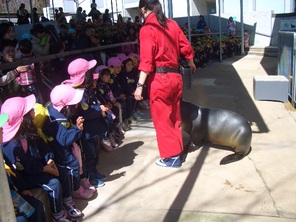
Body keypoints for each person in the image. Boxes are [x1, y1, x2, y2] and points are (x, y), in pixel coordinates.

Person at [1, 95, 83, 221]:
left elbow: (44, 147)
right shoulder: (10, 145)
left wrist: (49, 160)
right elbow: (25, 166)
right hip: (26, 176)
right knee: (53, 184)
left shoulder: (27, 131)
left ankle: (67, 200)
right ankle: (58, 215)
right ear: (23, 119)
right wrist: (44, 168)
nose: (34, 111)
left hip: (41, 166)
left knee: (63, 172)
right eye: (31, 111)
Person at [134, 0, 196, 168]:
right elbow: (186, 46)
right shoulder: (172, 24)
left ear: (144, 9)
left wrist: (139, 86)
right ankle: (178, 149)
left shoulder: (148, 29)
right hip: (176, 78)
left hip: (160, 80)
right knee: (175, 116)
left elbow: (146, 61)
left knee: (162, 120)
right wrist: (190, 63)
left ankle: (171, 157)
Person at [0, 39, 28, 104]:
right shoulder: (1, 65)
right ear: (1, 53)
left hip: (21, 98)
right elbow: (1, 81)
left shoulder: (18, 61)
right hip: (5, 102)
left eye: (13, 51)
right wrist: (16, 71)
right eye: (8, 51)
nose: (11, 54)